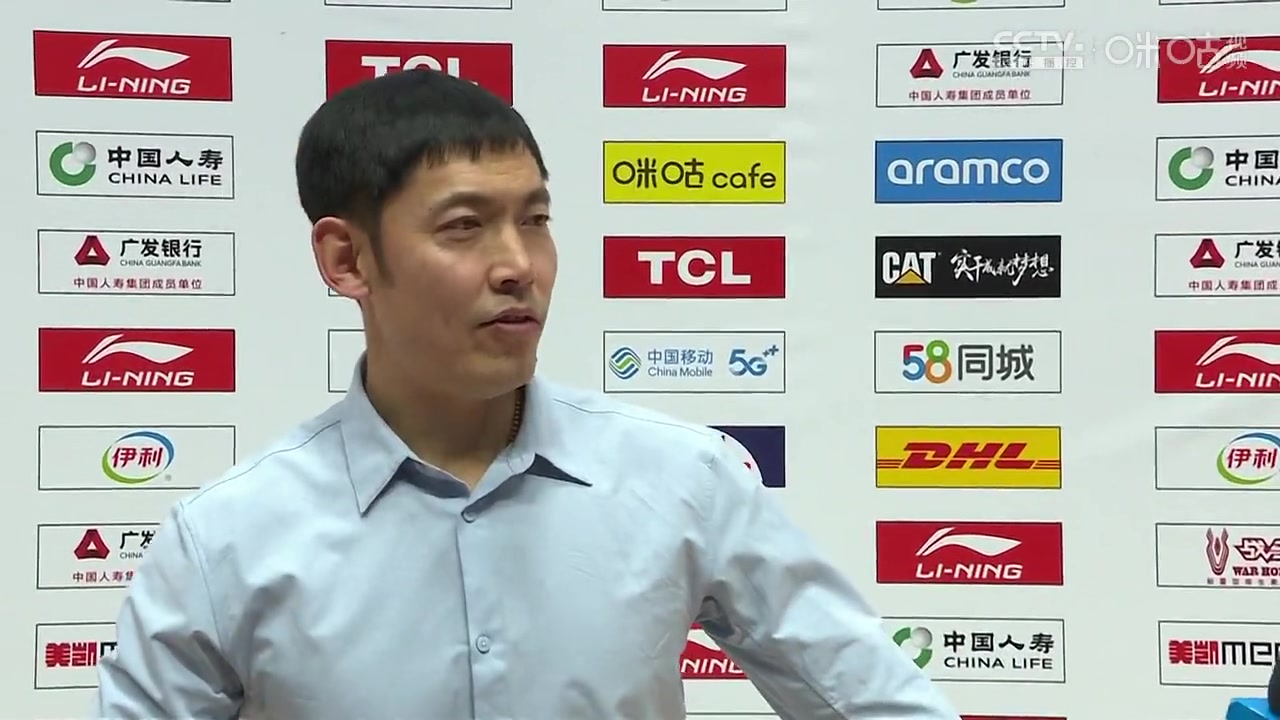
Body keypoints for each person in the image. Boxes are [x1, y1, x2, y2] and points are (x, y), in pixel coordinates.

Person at [90, 69, 960, 720]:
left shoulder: (685, 479)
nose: (518, 265)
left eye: (535, 220)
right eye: (464, 227)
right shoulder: (227, 539)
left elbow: (874, 698)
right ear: (347, 260)